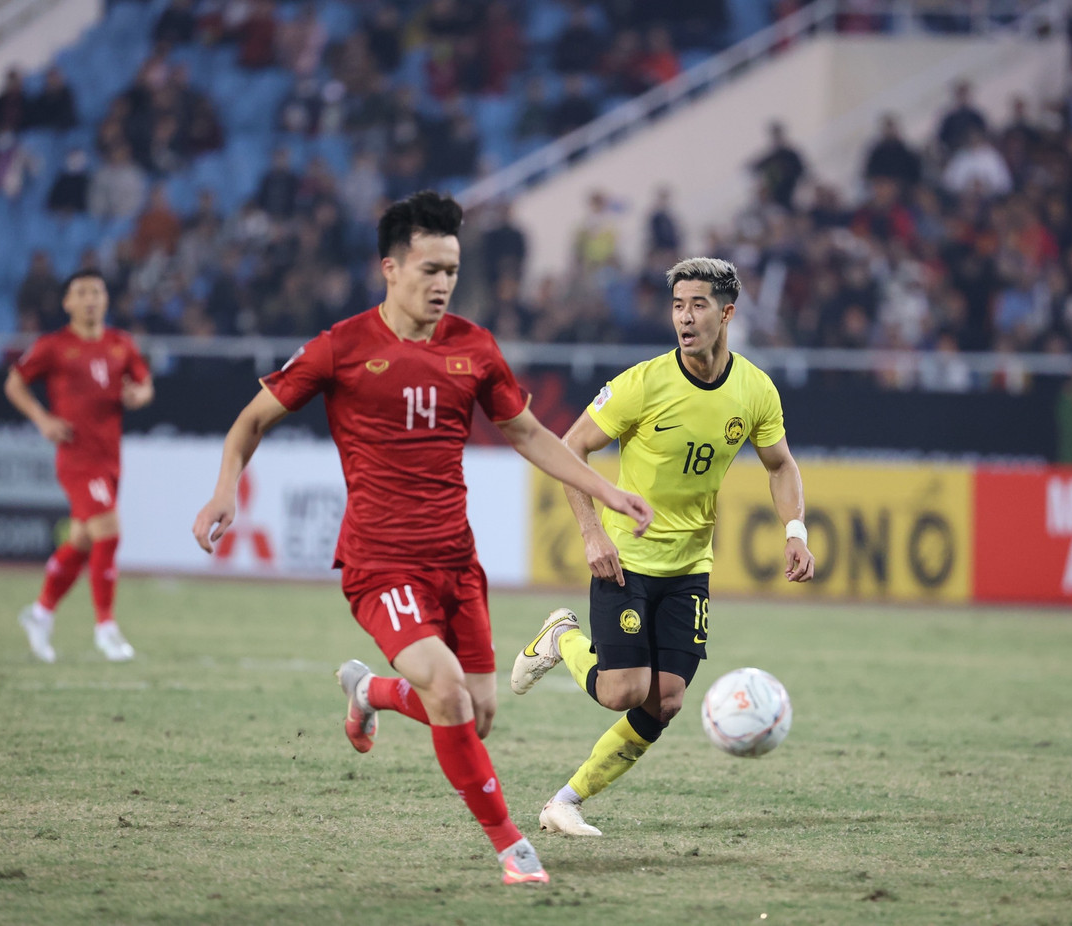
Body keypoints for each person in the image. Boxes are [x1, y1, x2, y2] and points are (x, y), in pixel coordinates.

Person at [189, 191, 653, 885]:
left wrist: (605, 489)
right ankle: (512, 848)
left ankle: (370, 692)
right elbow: (251, 421)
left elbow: (526, 433)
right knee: (446, 690)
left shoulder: (474, 347)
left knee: (478, 712)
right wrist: (225, 486)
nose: (442, 284)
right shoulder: (340, 348)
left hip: (456, 563)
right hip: (380, 562)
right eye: (430, 268)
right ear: (391, 269)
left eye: (452, 271)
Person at [509, 257, 815, 837]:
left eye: (698, 305)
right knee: (623, 690)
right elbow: (571, 448)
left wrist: (794, 530)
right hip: (626, 556)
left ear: (726, 314)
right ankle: (561, 638)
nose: (685, 317)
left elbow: (781, 464)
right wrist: (593, 531)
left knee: (665, 701)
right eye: (677, 305)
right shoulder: (642, 384)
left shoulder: (755, 389)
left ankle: (564, 802)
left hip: (691, 564)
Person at [6, 270, 155, 663]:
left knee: (82, 542)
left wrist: (138, 395)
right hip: (76, 457)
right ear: (67, 303)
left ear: (106, 300)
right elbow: (14, 383)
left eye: (96, 292)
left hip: (110, 458)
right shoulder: (53, 346)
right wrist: (42, 419)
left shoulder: (121, 344)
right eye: (81, 293)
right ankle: (105, 627)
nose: (90, 299)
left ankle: (39, 613)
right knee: (109, 531)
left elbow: (144, 384)